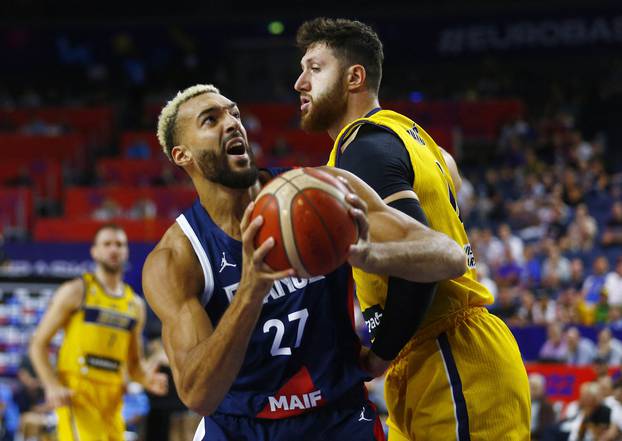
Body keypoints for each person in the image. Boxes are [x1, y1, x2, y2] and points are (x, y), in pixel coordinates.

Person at [145, 84, 466, 440]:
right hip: (240, 427)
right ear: (182, 155)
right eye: (211, 120)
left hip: (338, 417)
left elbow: (449, 256)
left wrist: (369, 255)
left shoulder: (323, 192)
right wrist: (251, 291)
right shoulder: (177, 258)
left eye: (234, 113)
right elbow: (198, 395)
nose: (232, 123)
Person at [294, 17, 530, 440]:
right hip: (435, 356)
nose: (299, 83)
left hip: (451, 357)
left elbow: (421, 261)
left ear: (354, 77)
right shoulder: (413, 135)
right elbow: (449, 187)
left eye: (314, 68)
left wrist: (378, 356)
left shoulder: (363, 146)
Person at [29, 224, 168, 441]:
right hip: (78, 395)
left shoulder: (135, 304)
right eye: (107, 244)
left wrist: (147, 379)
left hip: (113, 402)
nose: (113, 249)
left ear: (126, 252)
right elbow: (38, 344)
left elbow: (133, 364)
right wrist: (52, 385)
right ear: (94, 251)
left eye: (119, 244)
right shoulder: (77, 291)